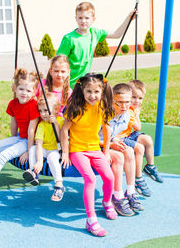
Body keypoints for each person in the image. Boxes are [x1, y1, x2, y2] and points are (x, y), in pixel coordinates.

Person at [60, 73, 116, 237]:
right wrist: (65, 152)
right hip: (78, 149)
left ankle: (106, 202)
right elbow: (64, 130)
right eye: (89, 92)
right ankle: (91, 220)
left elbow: (107, 128)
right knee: (90, 179)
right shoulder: (76, 108)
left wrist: (106, 150)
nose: (93, 96)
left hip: (94, 148)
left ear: (102, 91)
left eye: (96, 92)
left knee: (109, 177)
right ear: (82, 91)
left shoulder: (102, 107)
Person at [57, 2, 136, 87]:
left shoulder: (95, 33)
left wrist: (129, 18)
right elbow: (58, 62)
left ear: (93, 19)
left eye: (87, 18)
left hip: (84, 83)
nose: (83, 21)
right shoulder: (69, 38)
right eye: (80, 18)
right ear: (76, 19)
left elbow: (117, 34)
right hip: (68, 85)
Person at [99, 83, 143, 217]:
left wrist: (115, 140)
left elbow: (117, 134)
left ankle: (130, 191)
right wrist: (111, 145)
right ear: (112, 100)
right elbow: (90, 138)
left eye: (127, 102)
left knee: (128, 150)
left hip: (109, 143)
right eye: (120, 103)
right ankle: (117, 196)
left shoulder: (127, 115)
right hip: (94, 146)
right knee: (119, 157)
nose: (124, 106)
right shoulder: (104, 115)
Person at [118, 80, 163, 198]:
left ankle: (150, 166)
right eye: (133, 97)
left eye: (140, 98)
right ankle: (138, 178)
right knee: (139, 148)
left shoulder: (133, 109)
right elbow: (137, 127)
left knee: (147, 139)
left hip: (127, 135)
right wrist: (137, 114)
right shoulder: (128, 110)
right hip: (120, 138)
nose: (137, 101)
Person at [22, 93, 65, 201]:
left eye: (46, 110)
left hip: (56, 149)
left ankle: (59, 185)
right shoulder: (41, 125)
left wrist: (55, 124)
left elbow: (62, 139)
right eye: (40, 111)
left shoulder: (61, 121)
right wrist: (39, 161)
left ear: (55, 109)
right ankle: (34, 173)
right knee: (32, 149)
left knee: (52, 158)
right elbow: (39, 143)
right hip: (45, 149)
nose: (43, 114)